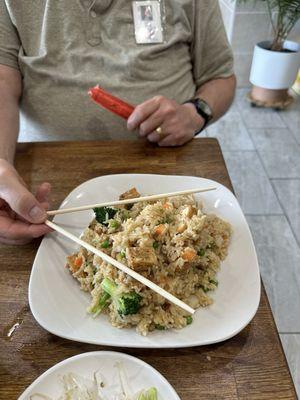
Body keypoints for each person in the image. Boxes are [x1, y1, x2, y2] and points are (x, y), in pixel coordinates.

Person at [0, 0, 236, 245]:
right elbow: (2, 84)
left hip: (170, 172)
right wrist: (1, 166)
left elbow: (221, 77)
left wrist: (195, 112)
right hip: (46, 188)